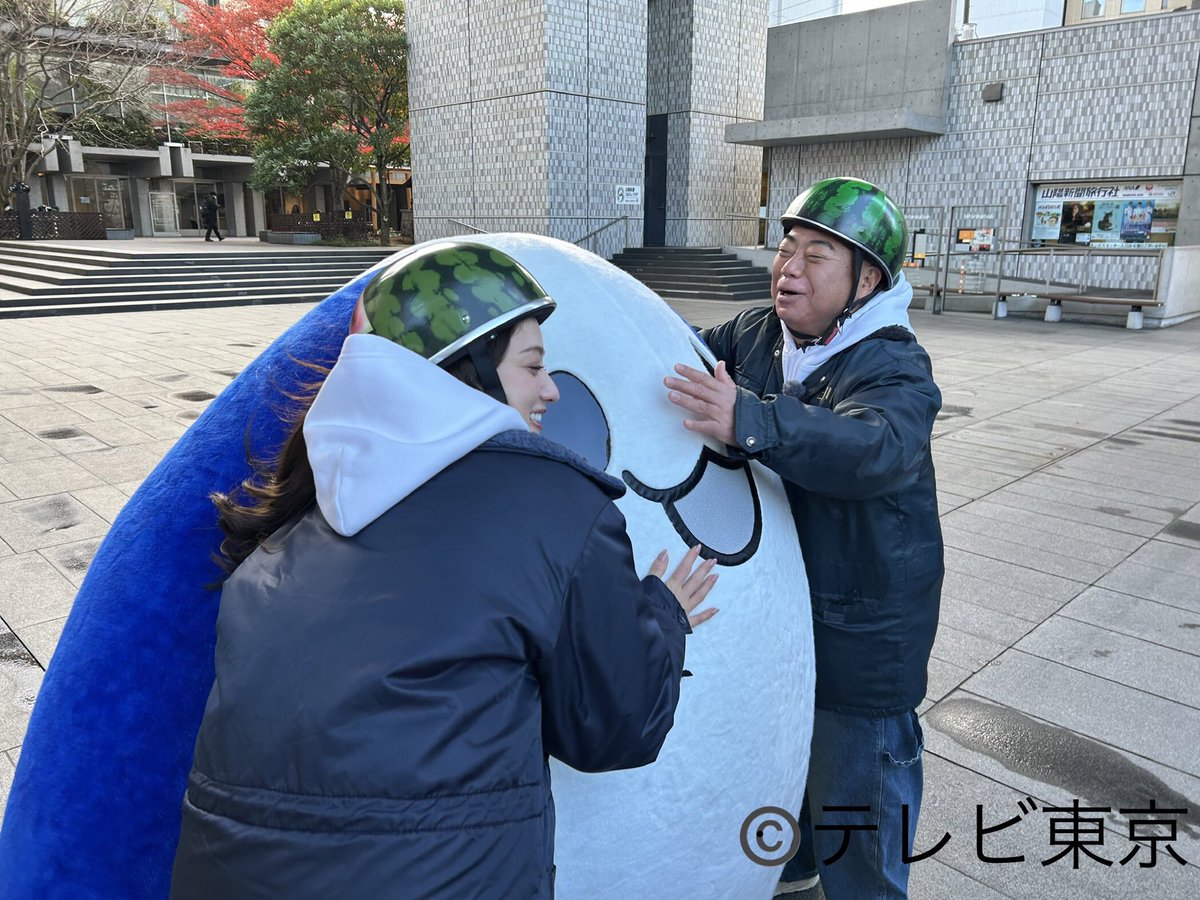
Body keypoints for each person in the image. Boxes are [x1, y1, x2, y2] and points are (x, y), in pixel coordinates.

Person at [169, 241, 718, 898]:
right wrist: (665, 616)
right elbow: (615, 729)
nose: (550, 388)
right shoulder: (555, 504)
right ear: (467, 371)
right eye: (533, 365)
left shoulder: (297, 520)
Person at [662, 177, 943, 899]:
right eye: (787, 248)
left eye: (817, 256)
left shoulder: (893, 364)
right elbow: (674, 355)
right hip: (782, 622)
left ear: (866, 281)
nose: (789, 267)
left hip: (859, 636)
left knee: (860, 808)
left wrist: (749, 418)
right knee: (787, 779)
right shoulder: (757, 334)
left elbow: (875, 448)